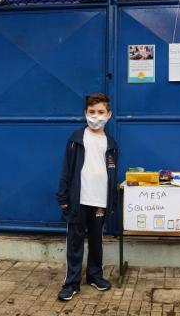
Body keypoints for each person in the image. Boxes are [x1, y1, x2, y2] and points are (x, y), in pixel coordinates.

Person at [57, 93, 118, 301]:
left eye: (101, 112)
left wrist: (111, 202)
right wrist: (63, 196)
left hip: (100, 200)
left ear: (108, 114)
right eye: (92, 112)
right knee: (75, 241)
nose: (96, 116)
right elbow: (67, 169)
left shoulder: (111, 143)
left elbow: (111, 173)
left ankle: (94, 275)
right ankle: (71, 282)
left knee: (96, 241)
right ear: (85, 113)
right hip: (78, 200)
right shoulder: (76, 139)